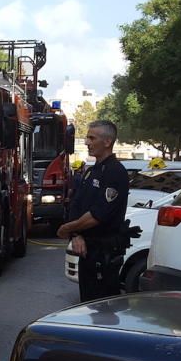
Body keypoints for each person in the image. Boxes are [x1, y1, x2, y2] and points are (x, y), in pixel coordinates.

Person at [57, 120, 129, 303]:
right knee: (87, 305)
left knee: (103, 310)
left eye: (91, 138)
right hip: (87, 252)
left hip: (104, 254)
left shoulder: (115, 172)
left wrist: (67, 228)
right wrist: (75, 234)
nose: (87, 142)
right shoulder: (91, 171)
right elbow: (77, 205)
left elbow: (98, 215)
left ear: (107, 142)